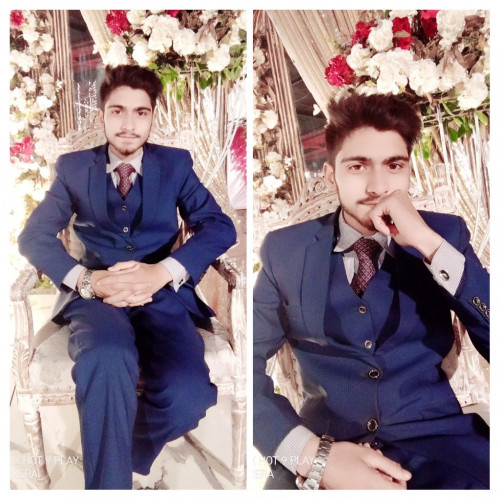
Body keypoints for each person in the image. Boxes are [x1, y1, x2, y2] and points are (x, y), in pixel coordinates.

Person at [253, 94, 489, 489]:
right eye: (358, 166)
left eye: (394, 166)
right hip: (325, 452)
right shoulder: (285, 250)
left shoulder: (444, 235)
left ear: (409, 170)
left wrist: (429, 245)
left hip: (441, 447)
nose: (378, 186)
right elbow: (247, 360)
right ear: (331, 175)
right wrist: (310, 455)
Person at [18, 65, 237, 489]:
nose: (128, 124)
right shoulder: (74, 168)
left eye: (141, 112)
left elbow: (219, 226)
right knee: (106, 356)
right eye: (117, 111)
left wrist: (162, 271)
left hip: (162, 294)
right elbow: (34, 236)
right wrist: (88, 281)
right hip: (96, 296)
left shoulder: (175, 165)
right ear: (102, 115)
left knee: (189, 393)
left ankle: (120, 450)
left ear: (152, 117)